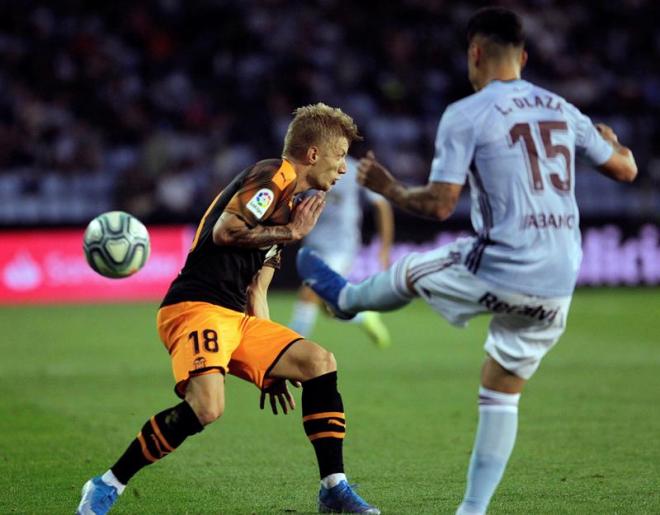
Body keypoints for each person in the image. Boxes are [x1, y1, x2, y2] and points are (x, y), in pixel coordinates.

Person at [297, 8, 637, 515]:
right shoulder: (564, 110)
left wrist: (389, 187)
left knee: (414, 270)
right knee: (501, 387)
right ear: (522, 56)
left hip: (503, 261)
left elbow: (437, 205)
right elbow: (626, 169)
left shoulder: (466, 113)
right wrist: (611, 142)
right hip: (561, 274)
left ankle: (347, 299)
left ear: (474, 53)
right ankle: (472, 511)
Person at [76, 103, 380, 515]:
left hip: (237, 316)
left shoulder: (290, 205)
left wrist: (272, 365)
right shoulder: (273, 176)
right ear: (313, 154)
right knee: (207, 408)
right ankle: (106, 484)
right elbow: (226, 231)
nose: (343, 168)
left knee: (318, 362)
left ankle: (333, 488)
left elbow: (258, 290)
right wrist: (292, 232)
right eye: (340, 155)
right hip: (196, 306)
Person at [289, 154, 394, 348]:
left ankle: (288, 347)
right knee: (328, 307)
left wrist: (385, 247)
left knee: (309, 292)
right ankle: (363, 316)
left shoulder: (356, 170)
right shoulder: (309, 169)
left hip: (341, 246)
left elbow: (381, 205)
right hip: (313, 243)